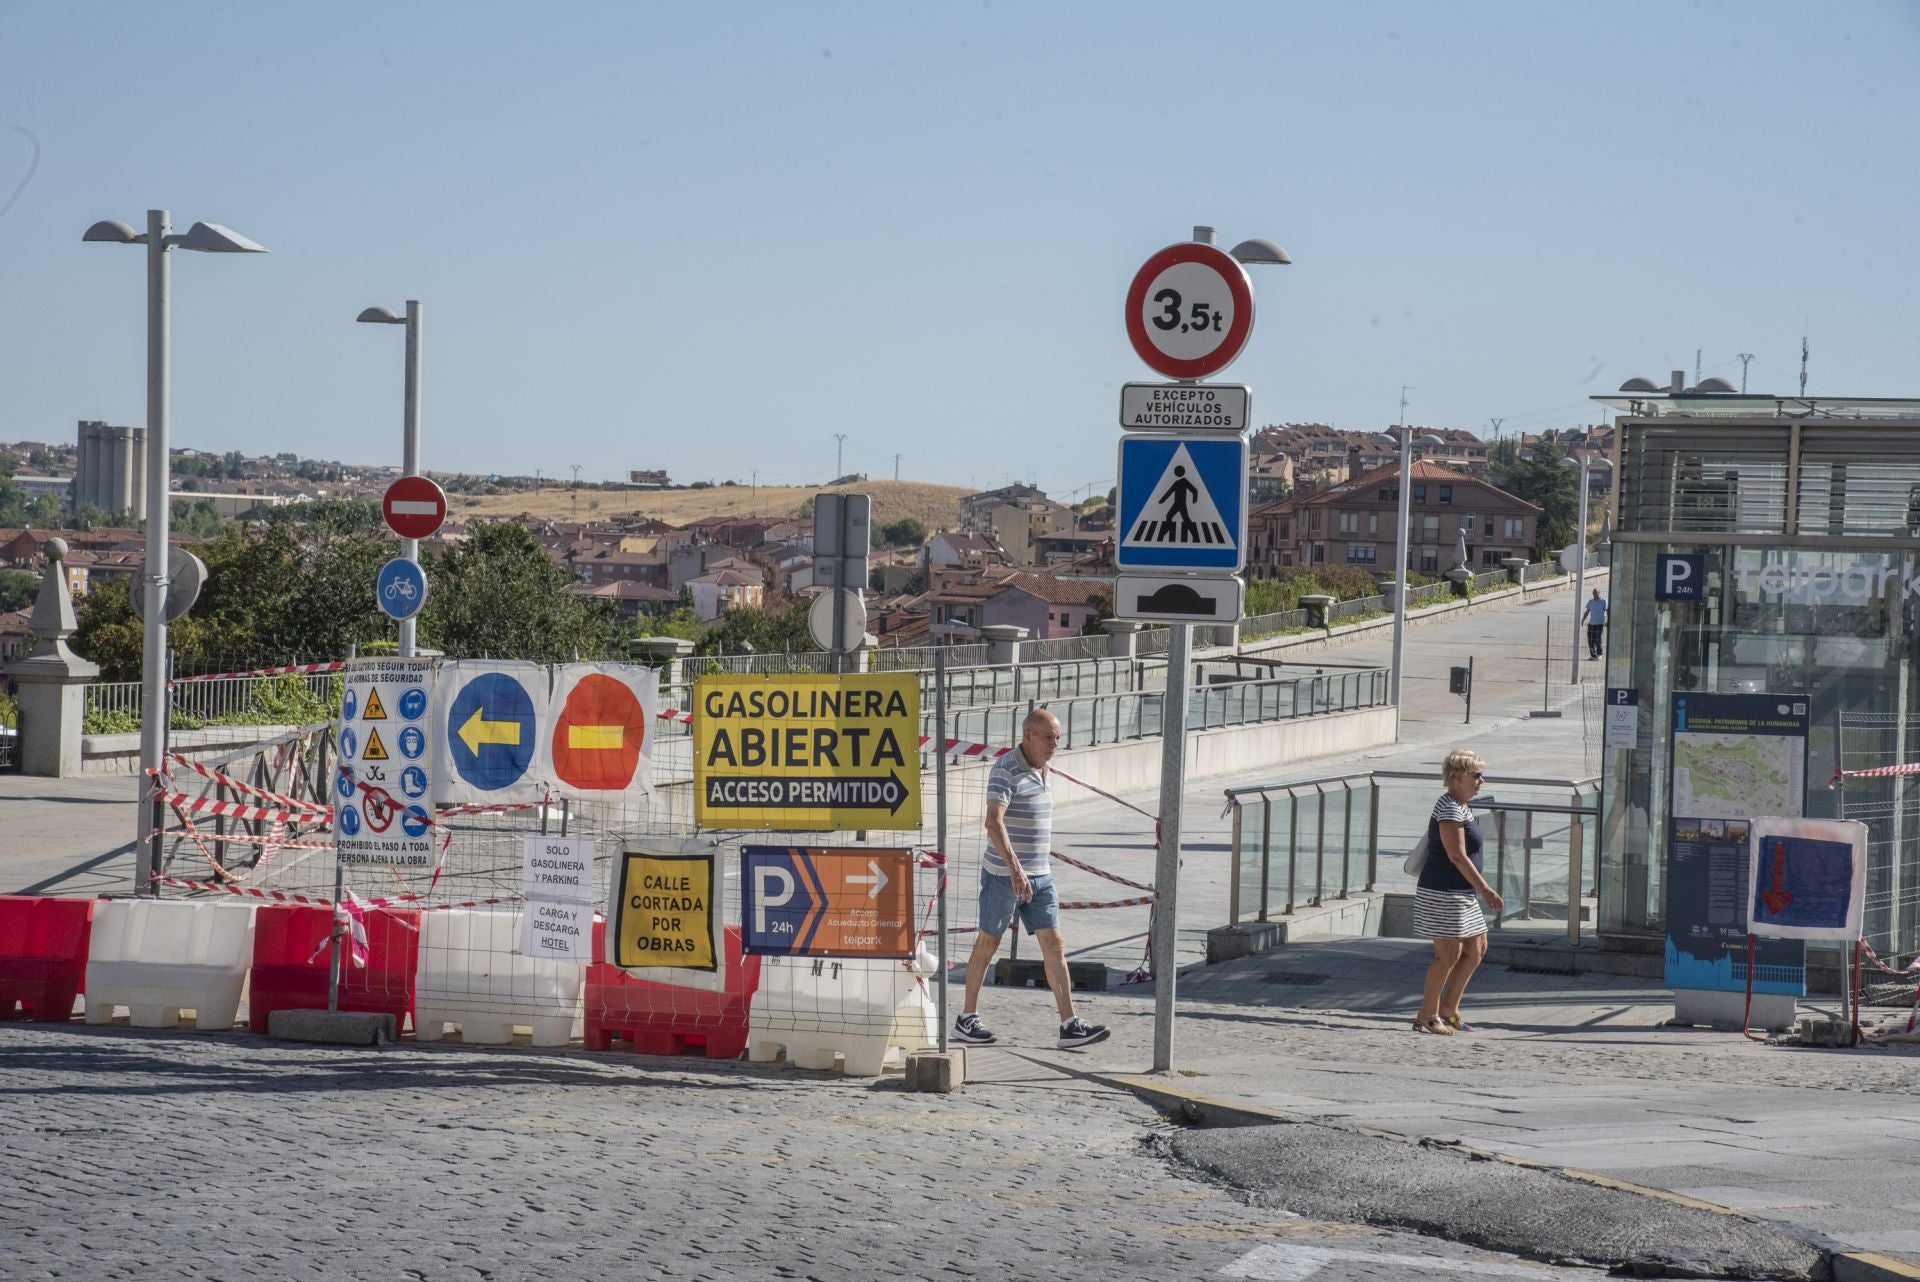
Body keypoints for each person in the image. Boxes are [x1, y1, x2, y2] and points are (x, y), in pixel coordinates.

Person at [952, 707, 1110, 1050]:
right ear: (1028, 736)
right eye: (1049, 738)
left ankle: (1070, 1024)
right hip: (1003, 875)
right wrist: (1015, 868)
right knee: (988, 943)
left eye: (1058, 738)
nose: (1055, 745)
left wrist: (1030, 871)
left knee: (1054, 945)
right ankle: (966, 1018)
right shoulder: (1005, 769)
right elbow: (993, 822)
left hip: (1041, 876)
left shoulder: (1044, 769)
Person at [1412, 749, 1504, 1035]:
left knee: (1476, 950)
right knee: (1447, 955)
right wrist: (1486, 889)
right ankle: (1428, 1014)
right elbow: (1457, 856)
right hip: (1444, 891)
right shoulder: (1450, 808)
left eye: (1481, 775)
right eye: (1476, 775)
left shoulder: (1461, 806)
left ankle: (1449, 1009)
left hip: (1461, 892)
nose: (1481, 781)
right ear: (1456, 777)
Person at [1584, 588, 1608, 660]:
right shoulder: (1590, 602)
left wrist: (1608, 621)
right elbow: (1587, 611)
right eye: (1593, 593)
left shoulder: (1604, 601)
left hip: (1599, 623)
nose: (1594, 594)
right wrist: (1583, 620)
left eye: (1596, 593)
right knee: (1590, 640)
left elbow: (1607, 611)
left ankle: (1599, 654)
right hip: (1591, 624)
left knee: (1598, 639)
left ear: (1599, 593)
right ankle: (1593, 655)